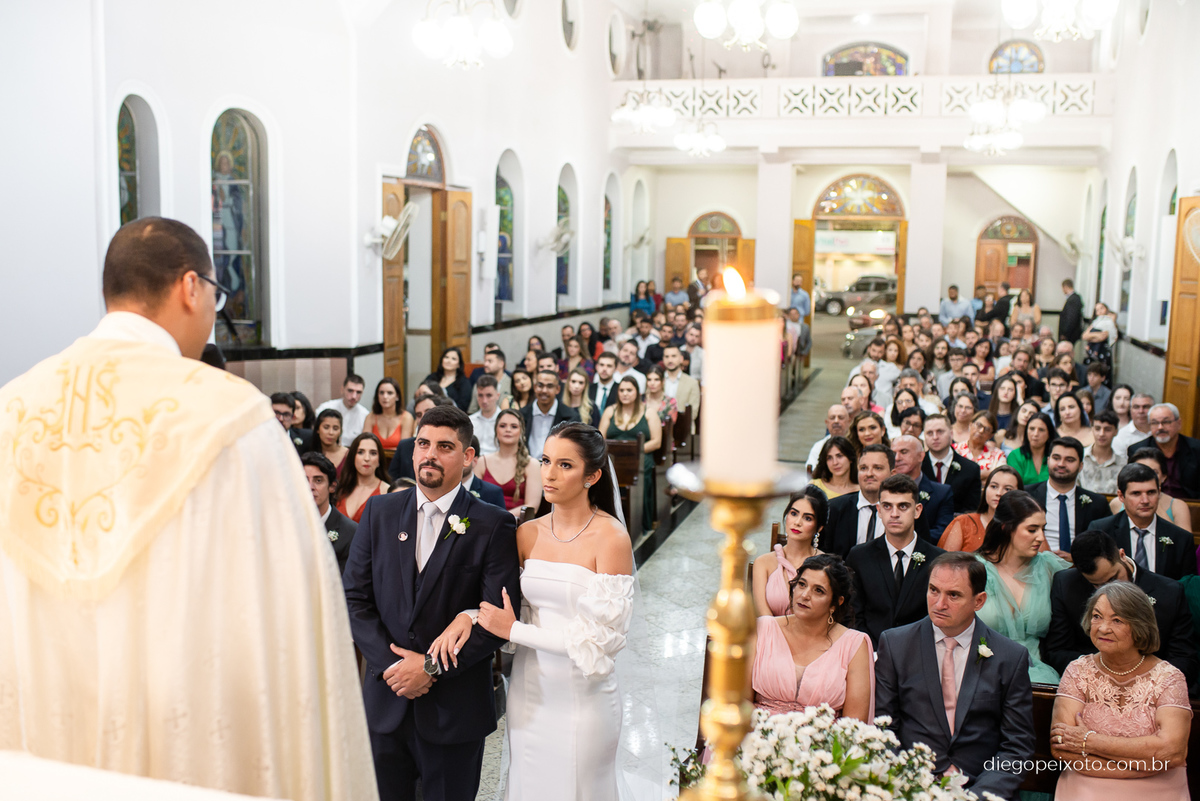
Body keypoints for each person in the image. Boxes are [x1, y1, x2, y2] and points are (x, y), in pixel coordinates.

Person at [0, 218, 374, 798]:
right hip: (185, 750)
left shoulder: (12, 410)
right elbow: (288, 615)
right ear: (190, 288)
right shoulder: (231, 418)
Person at [343, 404, 520, 801]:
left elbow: (496, 620)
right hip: (386, 699)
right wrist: (393, 666)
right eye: (423, 443)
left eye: (444, 446)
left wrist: (428, 667)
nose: (429, 455)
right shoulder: (380, 512)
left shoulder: (492, 523)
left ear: (468, 456)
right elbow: (354, 598)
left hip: (453, 709)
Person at [875, 551, 1034, 799]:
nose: (939, 604)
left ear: (979, 601)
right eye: (934, 590)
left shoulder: (1010, 657)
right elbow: (883, 729)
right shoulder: (896, 645)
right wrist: (911, 784)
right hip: (911, 785)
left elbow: (1017, 746)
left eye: (954, 595)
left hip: (980, 787)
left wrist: (980, 795)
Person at [1050, 583, 1192, 799]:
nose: (1103, 628)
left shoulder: (1169, 678)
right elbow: (1063, 749)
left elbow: (1171, 752)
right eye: (1097, 616)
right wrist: (1144, 764)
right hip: (1087, 786)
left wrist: (1088, 740)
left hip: (1158, 789)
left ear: (1140, 626)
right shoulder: (1078, 671)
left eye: (1117, 620)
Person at [1042, 530, 1198, 685]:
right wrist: (1102, 674)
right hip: (1091, 684)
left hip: (1152, 688)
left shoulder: (1169, 591)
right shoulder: (1066, 585)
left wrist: (1145, 681)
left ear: (1122, 555)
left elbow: (1184, 658)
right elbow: (1057, 651)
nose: (1108, 589)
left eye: (1113, 578)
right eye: (1096, 584)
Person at [752, 554, 874, 720]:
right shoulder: (763, 629)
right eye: (802, 584)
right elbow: (739, 703)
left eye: (818, 591)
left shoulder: (855, 644)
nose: (804, 595)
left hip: (824, 742)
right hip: (759, 736)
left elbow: (854, 724)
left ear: (836, 602)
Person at [974, 490, 1068, 682]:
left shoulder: (1049, 568)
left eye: (1043, 529)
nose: (1041, 537)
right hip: (979, 671)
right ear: (1006, 528)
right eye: (1032, 530)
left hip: (1037, 673)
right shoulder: (974, 570)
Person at [847, 475, 947, 648]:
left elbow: (939, 615)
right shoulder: (859, 557)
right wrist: (869, 651)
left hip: (921, 653)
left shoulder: (938, 560)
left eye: (903, 506)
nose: (894, 514)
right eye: (887, 506)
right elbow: (853, 613)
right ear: (878, 510)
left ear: (917, 510)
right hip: (869, 652)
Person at [1085, 463, 1197, 580]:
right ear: (1121, 496)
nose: (1145, 500)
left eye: (1151, 492)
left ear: (1159, 493)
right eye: (1136, 493)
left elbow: (1186, 587)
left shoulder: (1181, 538)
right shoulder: (1101, 531)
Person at [1026, 437, 1110, 559]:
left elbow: (1105, 547)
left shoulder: (1097, 504)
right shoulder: (1026, 495)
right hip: (1032, 564)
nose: (1061, 464)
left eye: (1069, 460)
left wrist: (1077, 559)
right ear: (1048, 460)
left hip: (1080, 570)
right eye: (1056, 458)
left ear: (1081, 466)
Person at [752, 487, 828, 617]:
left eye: (807, 518)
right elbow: (763, 615)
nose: (797, 522)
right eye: (794, 514)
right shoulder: (763, 563)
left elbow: (823, 616)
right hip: (769, 633)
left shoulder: (826, 566)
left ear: (819, 527)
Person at [599, 376, 662, 532]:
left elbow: (656, 442)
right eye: (621, 390)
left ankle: (641, 521)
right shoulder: (610, 411)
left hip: (640, 457)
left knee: (644, 467)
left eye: (629, 390)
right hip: (613, 458)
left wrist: (633, 451)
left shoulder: (649, 412)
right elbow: (600, 439)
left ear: (637, 392)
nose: (625, 394)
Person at [822, 444, 894, 558]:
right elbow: (823, 555)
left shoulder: (903, 511)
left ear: (892, 473)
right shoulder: (834, 508)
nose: (869, 473)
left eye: (877, 468)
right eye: (863, 468)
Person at [939, 466, 1023, 552]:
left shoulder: (1024, 528)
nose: (999, 493)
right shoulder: (964, 522)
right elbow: (946, 562)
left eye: (1007, 489)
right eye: (994, 486)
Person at [1126, 402, 1200, 500]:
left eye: (1166, 422)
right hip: (1152, 504)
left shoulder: (1196, 449)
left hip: (1190, 504)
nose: (1160, 427)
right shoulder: (1137, 450)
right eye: (1155, 423)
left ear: (1179, 423)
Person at [475, 409, 542, 516]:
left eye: (514, 426)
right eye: (503, 426)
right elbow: (473, 499)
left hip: (517, 526)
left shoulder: (532, 464)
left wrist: (501, 518)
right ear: (496, 429)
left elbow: (532, 506)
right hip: (484, 523)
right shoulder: (482, 462)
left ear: (522, 431)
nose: (508, 430)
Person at [302, 451, 358, 575]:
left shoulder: (350, 532)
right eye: (304, 480)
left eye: (318, 480)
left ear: (332, 486)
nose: (310, 486)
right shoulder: (286, 525)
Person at [1110, 448, 1193, 531]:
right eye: (1139, 471)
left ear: (1164, 476)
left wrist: (1156, 505)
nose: (1146, 477)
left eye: (1153, 472)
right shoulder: (1116, 503)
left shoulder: (1178, 506)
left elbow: (1183, 540)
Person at [891, 435, 954, 544]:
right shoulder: (881, 490)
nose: (897, 458)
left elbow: (943, 532)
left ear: (921, 456)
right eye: (893, 453)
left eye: (904, 452)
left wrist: (905, 539)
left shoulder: (941, 493)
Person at [921, 413, 983, 514]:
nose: (935, 437)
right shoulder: (917, 466)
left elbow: (971, 510)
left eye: (940, 431)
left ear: (951, 434)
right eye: (929, 433)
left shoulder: (970, 469)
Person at [389, 394, 454, 483]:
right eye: (419, 415)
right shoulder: (404, 446)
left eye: (428, 412)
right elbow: (392, 479)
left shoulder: (449, 446)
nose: (424, 418)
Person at [520, 371, 581, 460]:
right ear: (534, 387)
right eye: (540, 385)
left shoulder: (571, 417)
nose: (544, 390)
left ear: (558, 389)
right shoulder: (521, 415)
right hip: (526, 466)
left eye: (549, 386)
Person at [335, 432, 389, 524]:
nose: (367, 458)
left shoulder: (387, 491)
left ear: (379, 460)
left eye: (373, 453)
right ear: (353, 457)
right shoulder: (340, 489)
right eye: (360, 452)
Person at [1080, 409, 1126, 494]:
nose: (1101, 434)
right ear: (1092, 429)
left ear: (1116, 431)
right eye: (1097, 429)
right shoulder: (1080, 457)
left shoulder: (1123, 464)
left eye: (1107, 429)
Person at [364, 377, 413, 454]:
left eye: (389, 393)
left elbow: (404, 448)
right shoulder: (370, 417)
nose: (385, 397)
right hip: (375, 462)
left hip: (398, 462)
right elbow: (364, 445)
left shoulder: (406, 417)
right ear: (377, 396)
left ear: (397, 396)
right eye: (381, 393)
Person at [317, 373, 369, 446]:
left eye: (358, 392)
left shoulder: (365, 415)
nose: (354, 396)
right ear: (342, 389)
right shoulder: (325, 408)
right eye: (350, 391)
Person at [1007, 411, 1056, 485]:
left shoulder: (1056, 457)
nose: (1035, 434)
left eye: (1041, 430)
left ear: (1049, 433)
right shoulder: (1015, 456)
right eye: (1032, 429)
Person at [459, 435, 505, 509]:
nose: (458, 461)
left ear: (475, 460)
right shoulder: (437, 489)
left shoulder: (493, 493)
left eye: (465, 457)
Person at [806, 405, 852, 476]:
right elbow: (811, 473)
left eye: (841, 418)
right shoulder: (818, 447)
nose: (836, 421)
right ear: (827, 423)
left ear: (849, 422)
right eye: (832, 418)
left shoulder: (855, 444)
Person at [661, 345, 700, 427]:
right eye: (667, 357)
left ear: (681, 359)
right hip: (659, 427)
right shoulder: (656, 380)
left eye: (674, 356)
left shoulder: (692, 383)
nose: (670, 360)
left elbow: (693, 412)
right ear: (663, 359)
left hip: (684, 428)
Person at [811, 436, 859, 500]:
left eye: (839, 456)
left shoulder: (861, 491)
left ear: (850, 458)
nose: (835, 462)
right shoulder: (815, 486)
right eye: (829, 458)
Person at [468, 348, 511, 414]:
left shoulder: (511, 383)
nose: (485, 364)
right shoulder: (479, 383)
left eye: (490, 361)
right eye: (485, 361)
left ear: (501, 364)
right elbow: (472, 410)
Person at [469, 375, 503, 454]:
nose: (484, 401)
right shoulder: (470, 421)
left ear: (497, 396)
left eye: (489, 395)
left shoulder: (504, 422)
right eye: (480, 395)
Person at [313, 408, 350, 473]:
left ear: (340, 431)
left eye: (335, 428)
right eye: (326, 427)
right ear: (318, 429)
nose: (331, 432)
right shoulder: (310, 453)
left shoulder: (348, 455)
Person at [1081, 300, 1118, 365]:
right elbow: (1084, 336)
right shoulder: (1096, 321)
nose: (1100, 311)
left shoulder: (1108, 322)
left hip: (1101, 351)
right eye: (1097, 310)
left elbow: (1102, 337)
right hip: (1091, 350)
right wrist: (1096, 335)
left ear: (1106, 309)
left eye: (1101, 308)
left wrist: (1090, 337)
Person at [589, 352, 620, 416]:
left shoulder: (620, 390)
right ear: (596, 367)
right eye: (602, 365)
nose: (604, 369)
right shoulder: (588, 388)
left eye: (609, 366)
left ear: (616, 369)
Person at [1058, 279, 1084, 344]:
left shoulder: (1073, 300)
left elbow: (1071, 318)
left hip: (1070, 334)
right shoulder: (1075, 298)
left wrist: (1065, 333)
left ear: (1065, 287)